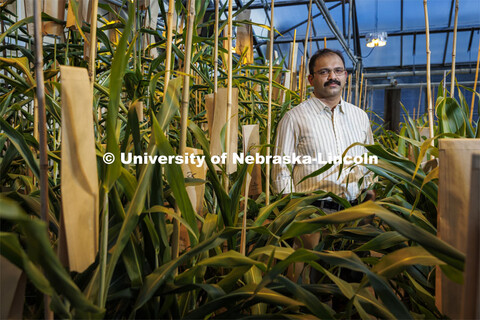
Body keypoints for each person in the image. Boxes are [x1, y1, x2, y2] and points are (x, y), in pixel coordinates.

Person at [271, 48, 375, 282]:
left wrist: (369, 197)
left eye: (338, 71)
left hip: (354, 216)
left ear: (346, 76)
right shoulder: (294, 117)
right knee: (312, 284)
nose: (332, 77)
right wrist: (293, 215)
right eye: (324, 72)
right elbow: (281, 170)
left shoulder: (360, 117)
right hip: (313, 215)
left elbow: (369, 160)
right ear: (311, 79)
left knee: (352, 284)